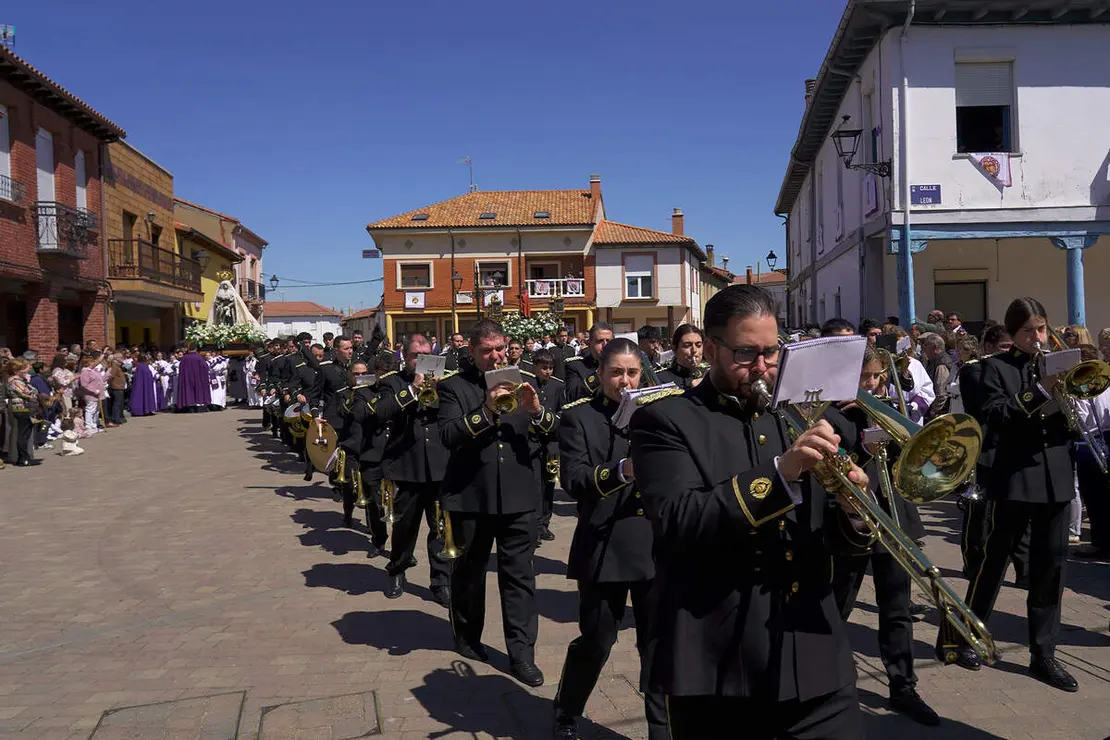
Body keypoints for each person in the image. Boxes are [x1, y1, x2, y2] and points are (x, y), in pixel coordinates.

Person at [628, 284, 868, 739]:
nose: (761, 367)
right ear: (711, 348)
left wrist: (854, 506)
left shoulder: (798, 415)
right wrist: (782, 473)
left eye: (770, 352)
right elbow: (679, 522)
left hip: (814, 655)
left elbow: (832, 540)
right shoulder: (665, 421)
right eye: (745, 353)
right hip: (719, 664)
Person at [947, 297, 1078, 691]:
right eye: (1028, 331)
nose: (1037, 338)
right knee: (994, 560)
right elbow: (998, 416)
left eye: (1041, 329)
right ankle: (969, 634)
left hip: (1055, 475)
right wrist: (1042, 390)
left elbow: (1070, 423)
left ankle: (1043, 654)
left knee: (1050, 567)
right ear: (1013, 332)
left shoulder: (1059, 365)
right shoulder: (991, 370)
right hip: (1015, 477)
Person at [551, 338, 667, 740]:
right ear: (599, 375)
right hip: (605, 543)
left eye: (632, 372)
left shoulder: (659, 412)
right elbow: (574, 480)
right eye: (615, 372)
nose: (624, 380)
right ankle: (567, 709)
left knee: (658, 644)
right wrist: (621, 470)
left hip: (655, 544)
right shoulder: (579, 418)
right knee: (597, 640)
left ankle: (662, 728)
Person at [438, 319, 557, 687]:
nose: (495, 356)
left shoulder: (528, 381)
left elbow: (554, 430)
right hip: (471, 496)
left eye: (499, 349)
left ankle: (522, 655)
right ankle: (468, 638)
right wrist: (488, 411)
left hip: (520, 497)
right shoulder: (452, 387)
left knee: (519, 578)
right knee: (470, 575)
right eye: (486, 351)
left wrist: (536, 411)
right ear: (472, 352)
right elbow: (448, 434)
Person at [831, 345, 939, 726]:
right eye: (864, 378)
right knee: (839, 604)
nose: (872, 384)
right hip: (854, 523)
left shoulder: (892, 409)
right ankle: (829, 681)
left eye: (876, 376)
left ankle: (903, 685)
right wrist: (859, 447)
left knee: (896, 609)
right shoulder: (832, 415)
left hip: (894, 516)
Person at [373, 333, 451, 607]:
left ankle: (441, 581)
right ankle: (397, 569)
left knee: (440, 526)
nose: (421, 361)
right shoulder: (391, 383)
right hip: (407, 465)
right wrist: (414, 390)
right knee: (405, 527)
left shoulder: (445, 381)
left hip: (440, 465)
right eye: (416, 356)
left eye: (426, 355)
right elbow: (381, 412)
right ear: (404, 357)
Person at [526, 349, 564, 544]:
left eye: (550, 368)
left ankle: (544, 525)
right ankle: (533, 527)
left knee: (549, 484)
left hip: (551, 442)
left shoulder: (558, 387)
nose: (547, 371)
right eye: (543, 368)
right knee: (534, 486)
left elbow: (561, 412)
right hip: (532, 441)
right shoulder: (528, 385)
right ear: (535, 367)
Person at [564, 324, 613, 402]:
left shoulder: (622, 367)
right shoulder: (575, 366)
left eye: (608, 341)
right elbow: (571, 396)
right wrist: (598, 374)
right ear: (589, 343)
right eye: (600, 341)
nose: (605, 345)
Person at [656, 324, 707, 390]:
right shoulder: (662, 379)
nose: (694, 350)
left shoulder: (709, 375)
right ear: (674, 349)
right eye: (687, 345)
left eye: (698, 345)